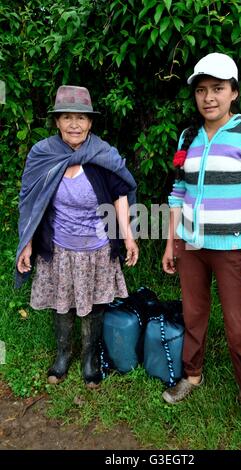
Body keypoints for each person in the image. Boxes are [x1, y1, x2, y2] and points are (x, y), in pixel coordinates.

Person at [162, 52, 241, 435]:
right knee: (194, 314)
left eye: (217, 89)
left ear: (234, 93)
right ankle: (192, 376)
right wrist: (170, 243)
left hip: (234, 249)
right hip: (191, 247)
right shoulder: (188, 136)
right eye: (201, 90)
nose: (208, 97)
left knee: (238, 327)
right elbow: (178, 193)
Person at [16, 85, 139, 389]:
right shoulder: (43, 155)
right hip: (59, 248)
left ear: (91, 123)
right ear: (56, 122)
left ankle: (90, 360)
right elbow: (31, 202)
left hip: (96, 248)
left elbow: (120, 195)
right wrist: (28, 244)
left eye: (81, 118)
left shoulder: (101, 155)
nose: (74, 124)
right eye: (67, 117)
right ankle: (61, 356)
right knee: (63, 304)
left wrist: (128, 237)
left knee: (94, 305)